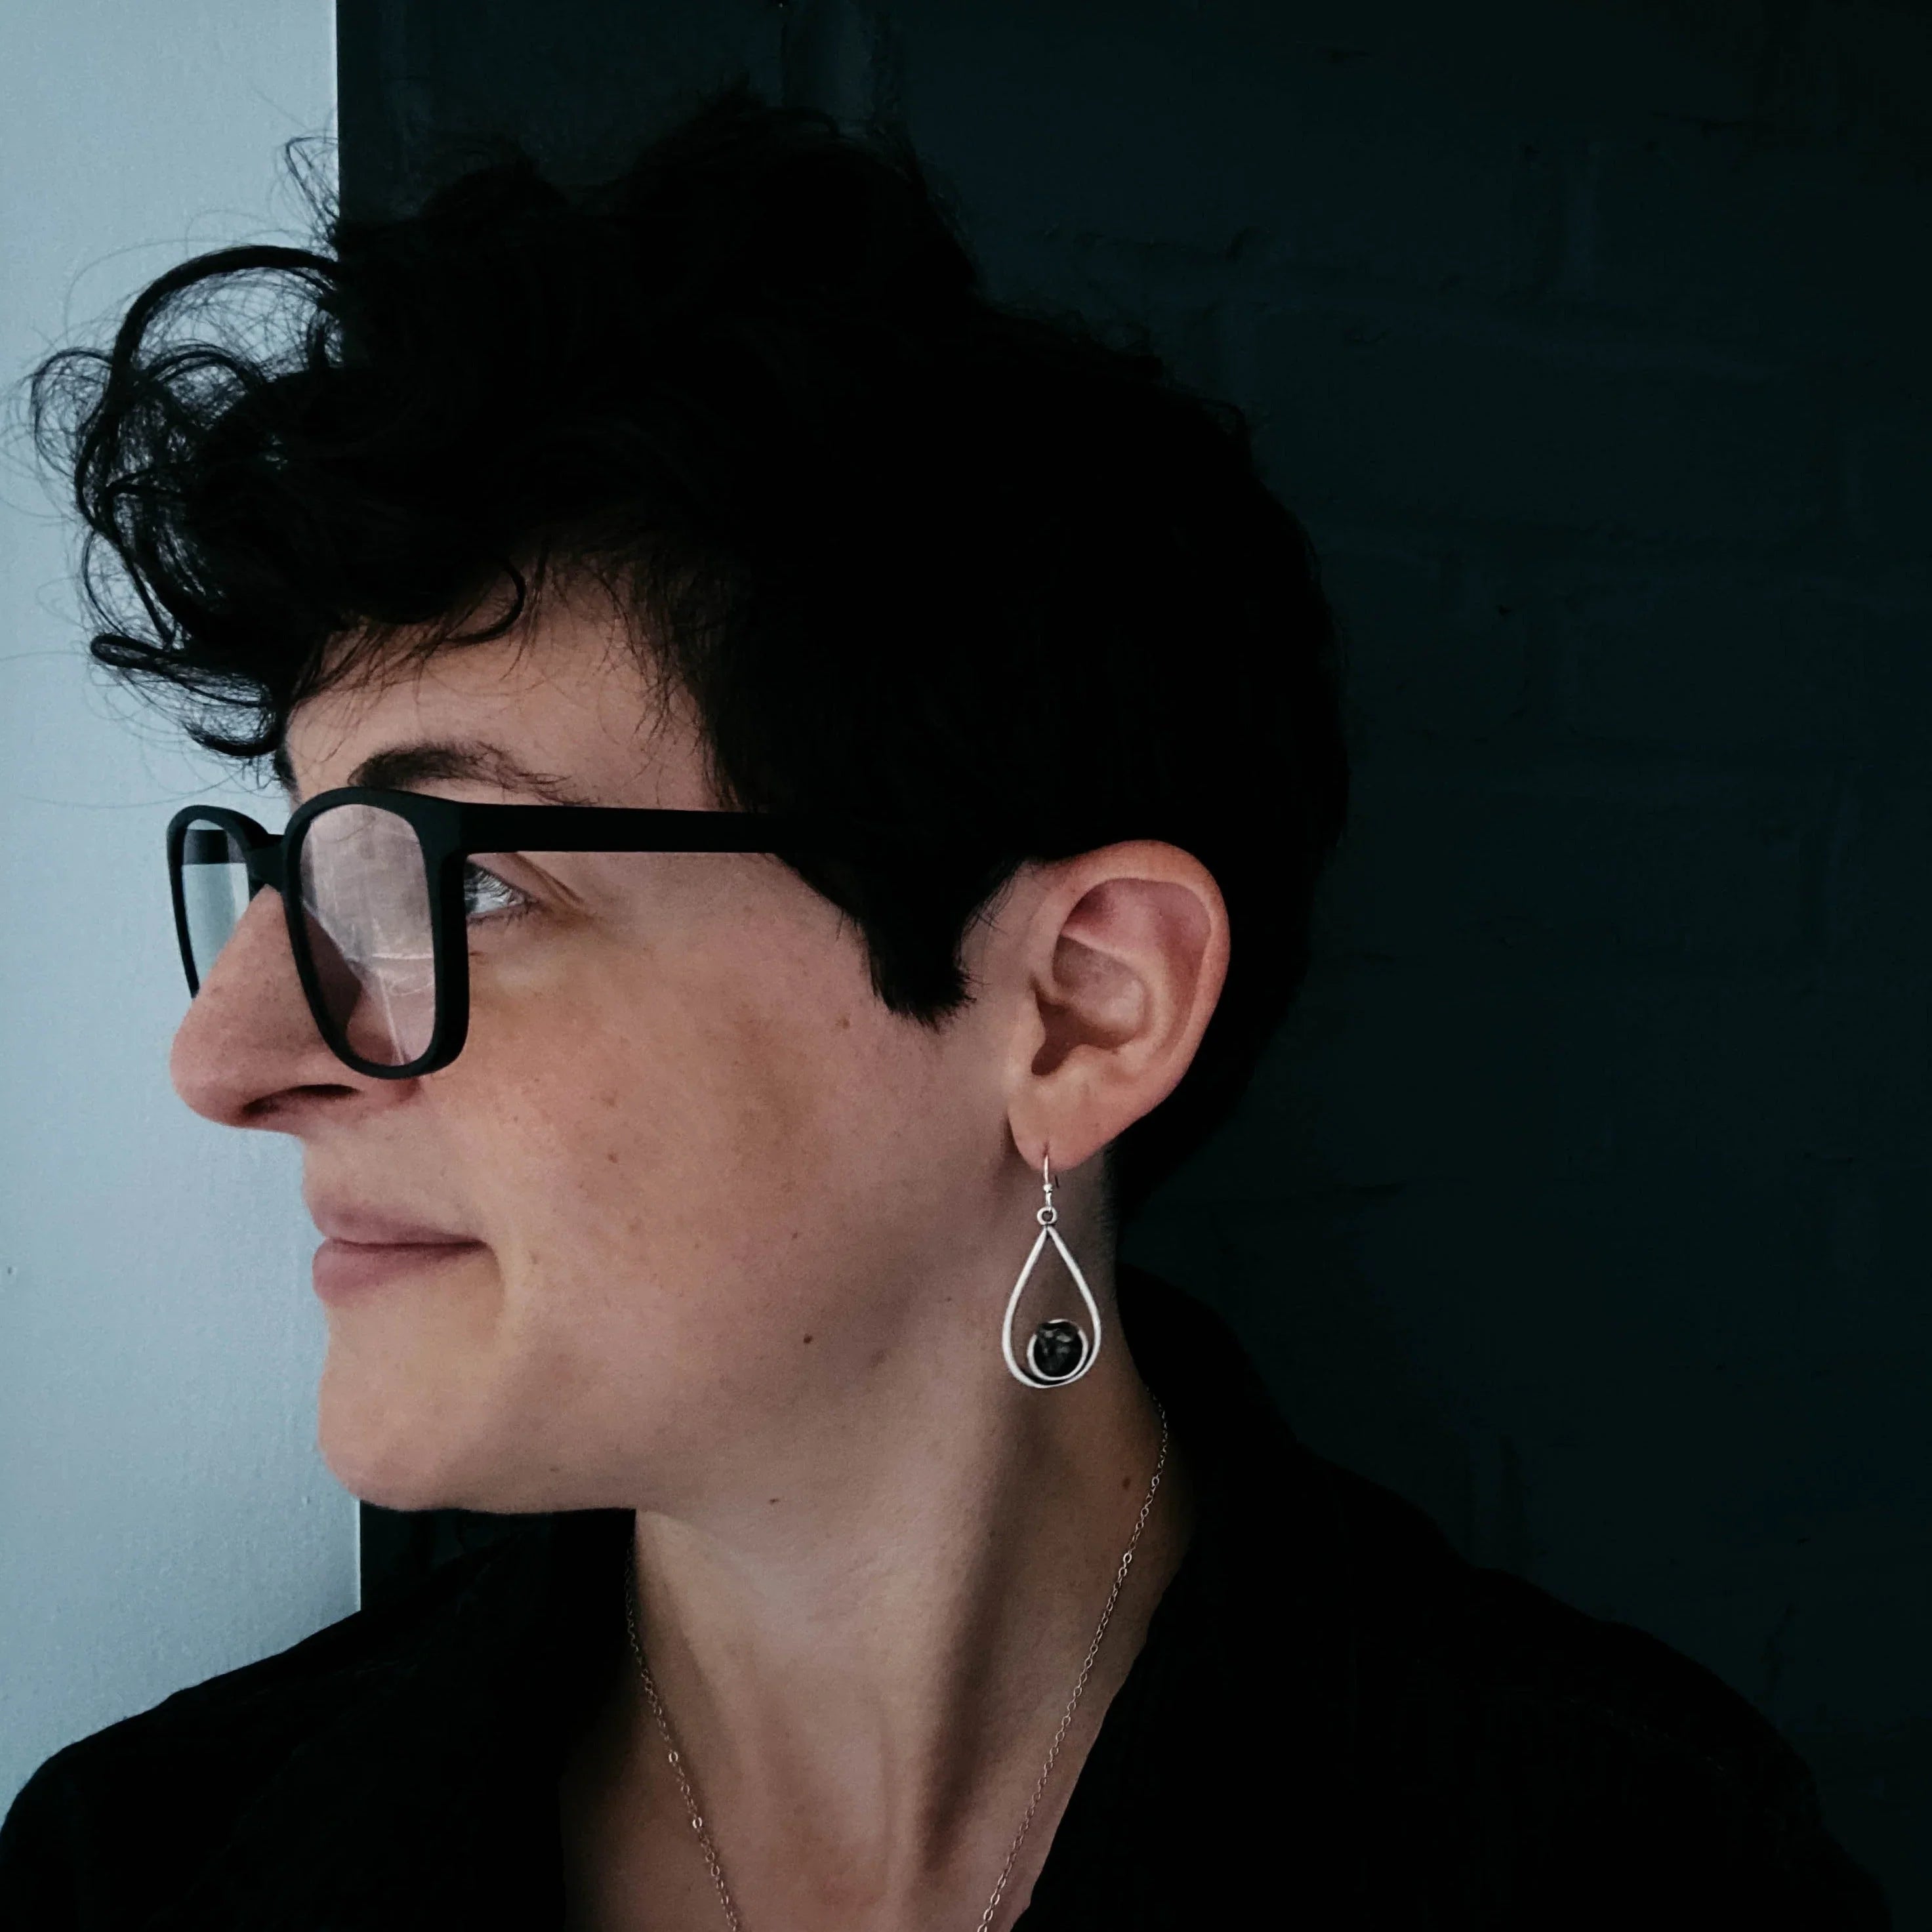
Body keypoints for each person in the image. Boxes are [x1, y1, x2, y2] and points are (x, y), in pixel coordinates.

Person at [0, 84, 1887, 1932]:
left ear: (1077, 1008)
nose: (225, 1059)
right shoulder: (142, 1869)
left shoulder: (1630, 1872)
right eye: (284, 884)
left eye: (460, 878)